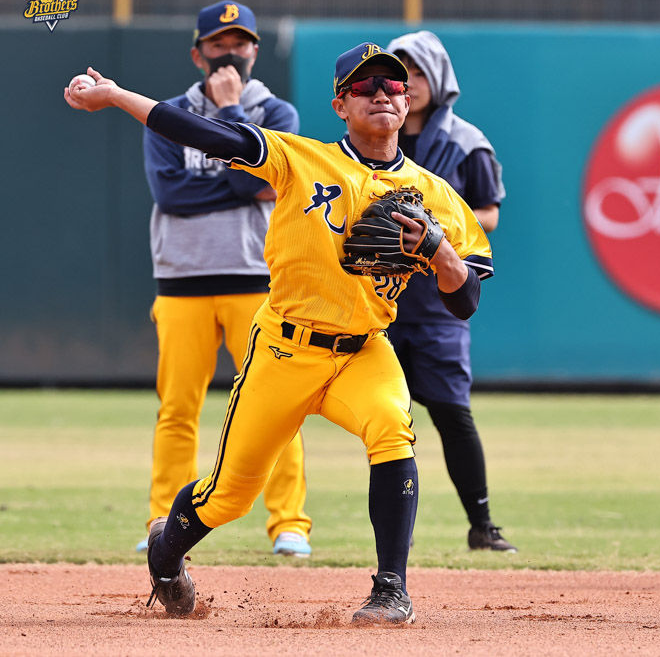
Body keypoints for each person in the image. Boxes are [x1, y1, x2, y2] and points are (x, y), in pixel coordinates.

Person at [65, 41, 493, 622]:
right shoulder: (299, 158)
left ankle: (391, 588)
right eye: (364, 87)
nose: (382, 95)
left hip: (364, 351)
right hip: (284, 349)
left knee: (393, 429)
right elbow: (204, 134)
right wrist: (116, 96)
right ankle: (166, 554)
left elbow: (465, 300)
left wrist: (442, 253)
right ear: (340, 104)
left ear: (410, 96)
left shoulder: (437, 197)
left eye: (392, 85)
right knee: (229, 496)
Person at [135, 0, 313, 560]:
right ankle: (163, 519)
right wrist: (242, 180)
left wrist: (234, 112)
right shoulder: (166, 114)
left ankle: (289, 524)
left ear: (256, 51)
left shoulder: (277, 114)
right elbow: (171, 193)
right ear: (197, 53)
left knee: (278, 406)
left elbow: (269, 185)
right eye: (218, 44)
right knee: (177, 408)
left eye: (240, 43)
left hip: (255, 278)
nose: (229, 53)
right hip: (181, 278)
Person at [384, 30, 514, 552]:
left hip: (439, 299)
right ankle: (394, 537)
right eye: (398, 75)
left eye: (416, 73)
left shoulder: (465, 142)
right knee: (387, 421)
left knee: (452, 413)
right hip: (381, 300)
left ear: (436, 79)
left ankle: (481, 525)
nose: (407, 84)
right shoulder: (371, 138)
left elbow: (490, 214)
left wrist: (436, 223)